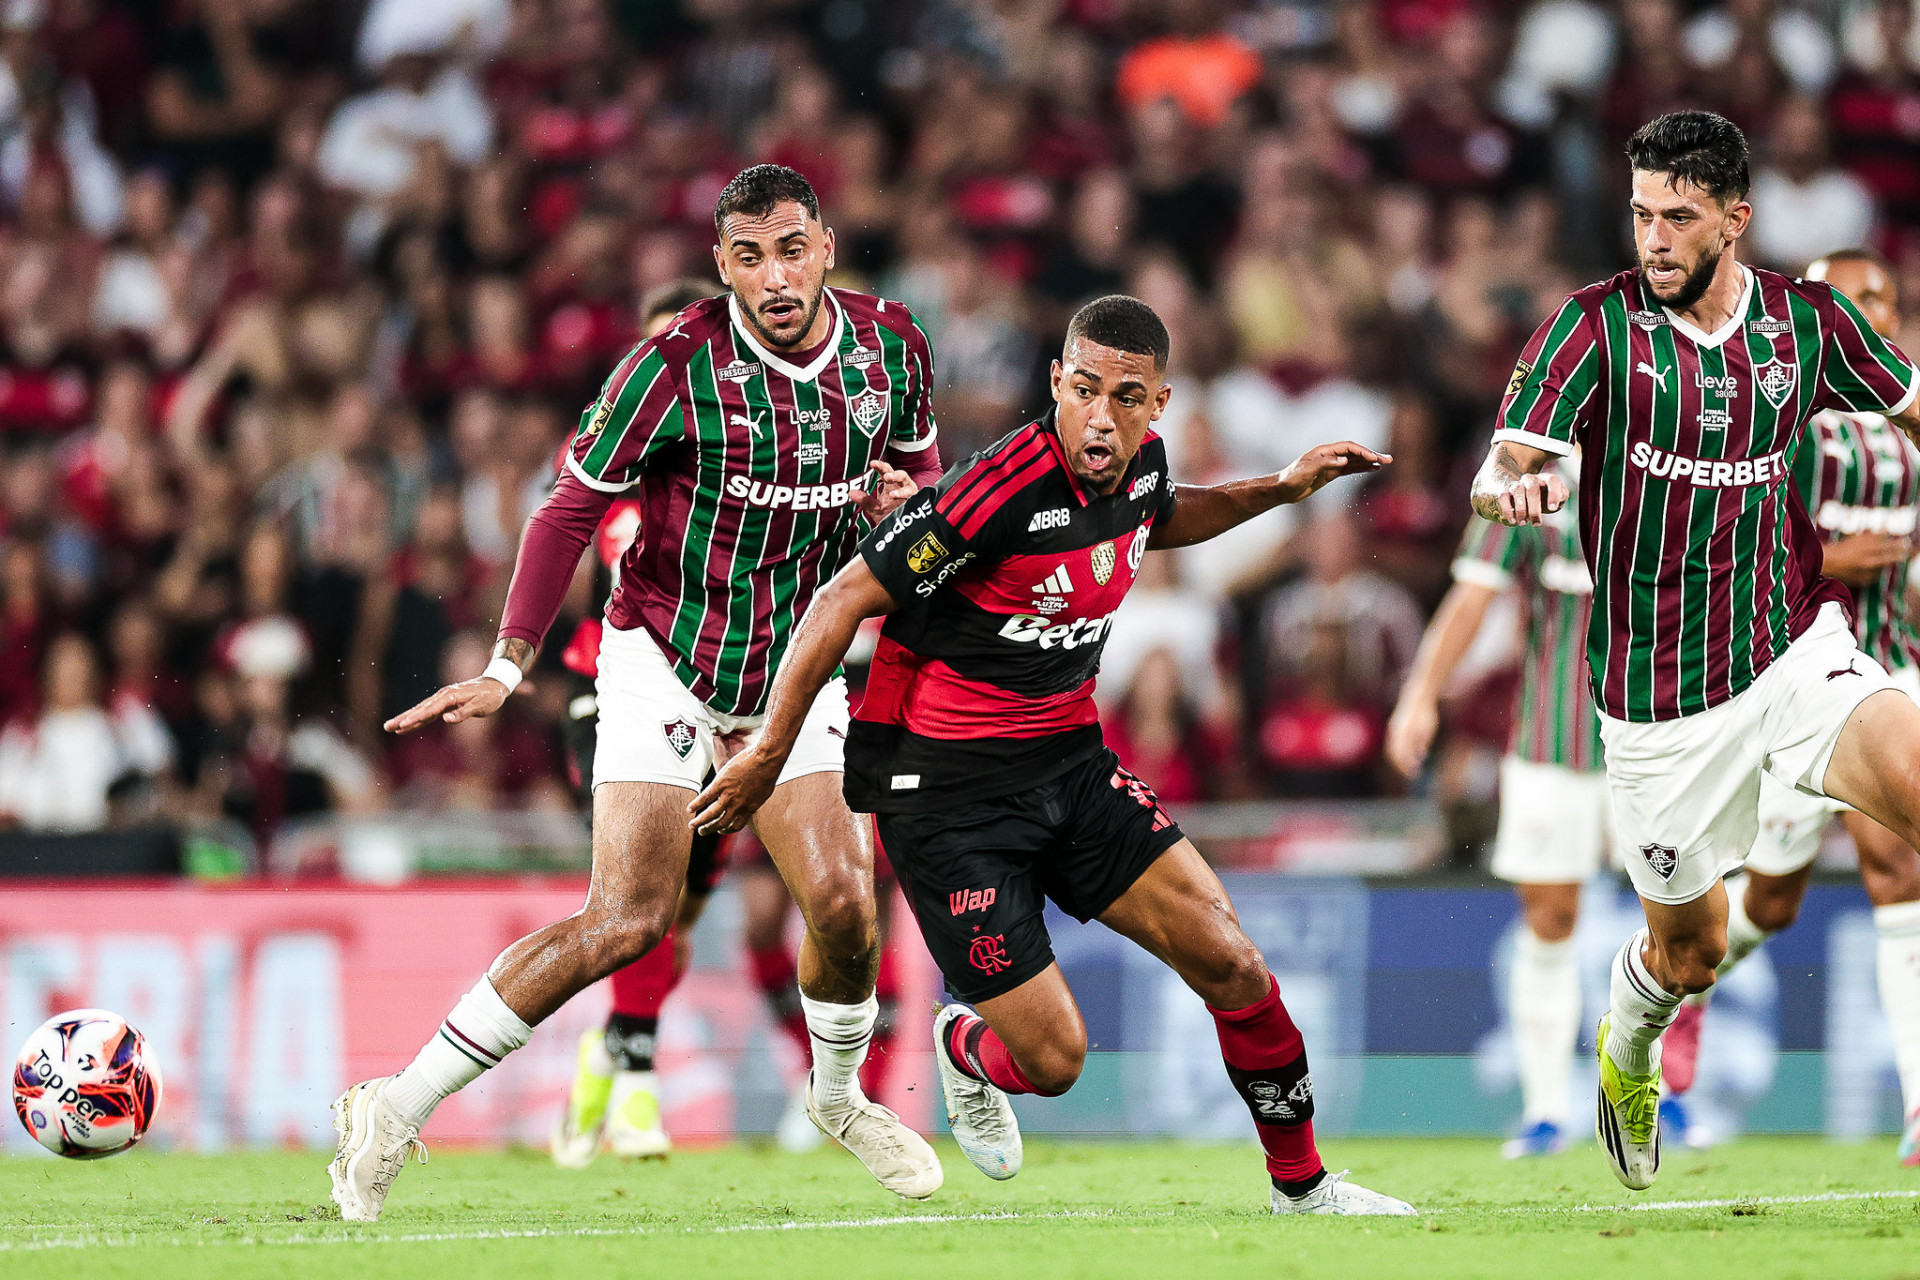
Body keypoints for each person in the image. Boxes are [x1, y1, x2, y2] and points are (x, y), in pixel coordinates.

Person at [690, 295, 1416, 1217]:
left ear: (1159, 402)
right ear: (1055, 384)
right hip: (946, 799)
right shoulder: (995, 492)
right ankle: (965, 1048)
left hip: (1069, 764)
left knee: (1232, 961)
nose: (1101, 418)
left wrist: (1280, 488)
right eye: (1082, 391)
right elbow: (842, 600)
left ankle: (1302, 1189)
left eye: (1125, 397)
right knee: (1058, 1063)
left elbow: (1164, 514)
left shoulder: (1142, 467)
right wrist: (768, 750)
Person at [332, 165, 947, 1222]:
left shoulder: (893, 346)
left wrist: (906, 504)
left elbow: (928, 489)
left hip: (795, 666)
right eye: (749, 255)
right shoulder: (671, 368)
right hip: (661, 654)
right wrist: (507, 663)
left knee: (847, 903)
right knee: (627, 918)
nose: (775, 275)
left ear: (827, 247)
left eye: (792, 248)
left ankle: (839, 1096)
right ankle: (393, 1104)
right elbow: (565, 514)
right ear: (722, 264)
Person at [1469, 111, 1920, 1192]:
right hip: (1658, 709)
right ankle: (1626, 1052)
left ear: (1736, 217)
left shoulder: (1806, 325)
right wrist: (1515, 487)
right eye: (1640, 215)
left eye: (1678, 216)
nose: (1655, 239)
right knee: (1689, 952)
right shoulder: (1590, 331)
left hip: (1797, 648)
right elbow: (1500, 470)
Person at [1659, 249, 1920, 1166]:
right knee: (1771, 901)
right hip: (1793, 668)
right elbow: (1738, 537)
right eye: (1853, 298)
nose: (1873, 311)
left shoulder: (1904, 422)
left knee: (1897, 866)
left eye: (1884, 297)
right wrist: (1840, 561)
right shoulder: (1785, 414)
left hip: (1895, 667)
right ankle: (1686, 995)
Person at [1386, 454, 1604, 1158]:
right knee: (1548, 914)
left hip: (1669, 732)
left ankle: (1677, 1095)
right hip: (1552, 735)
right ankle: (1546, 1110)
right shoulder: (1526, 470)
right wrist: (1421, 695)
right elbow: (1472, 593)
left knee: (1687, 917)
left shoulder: (1674, 440)